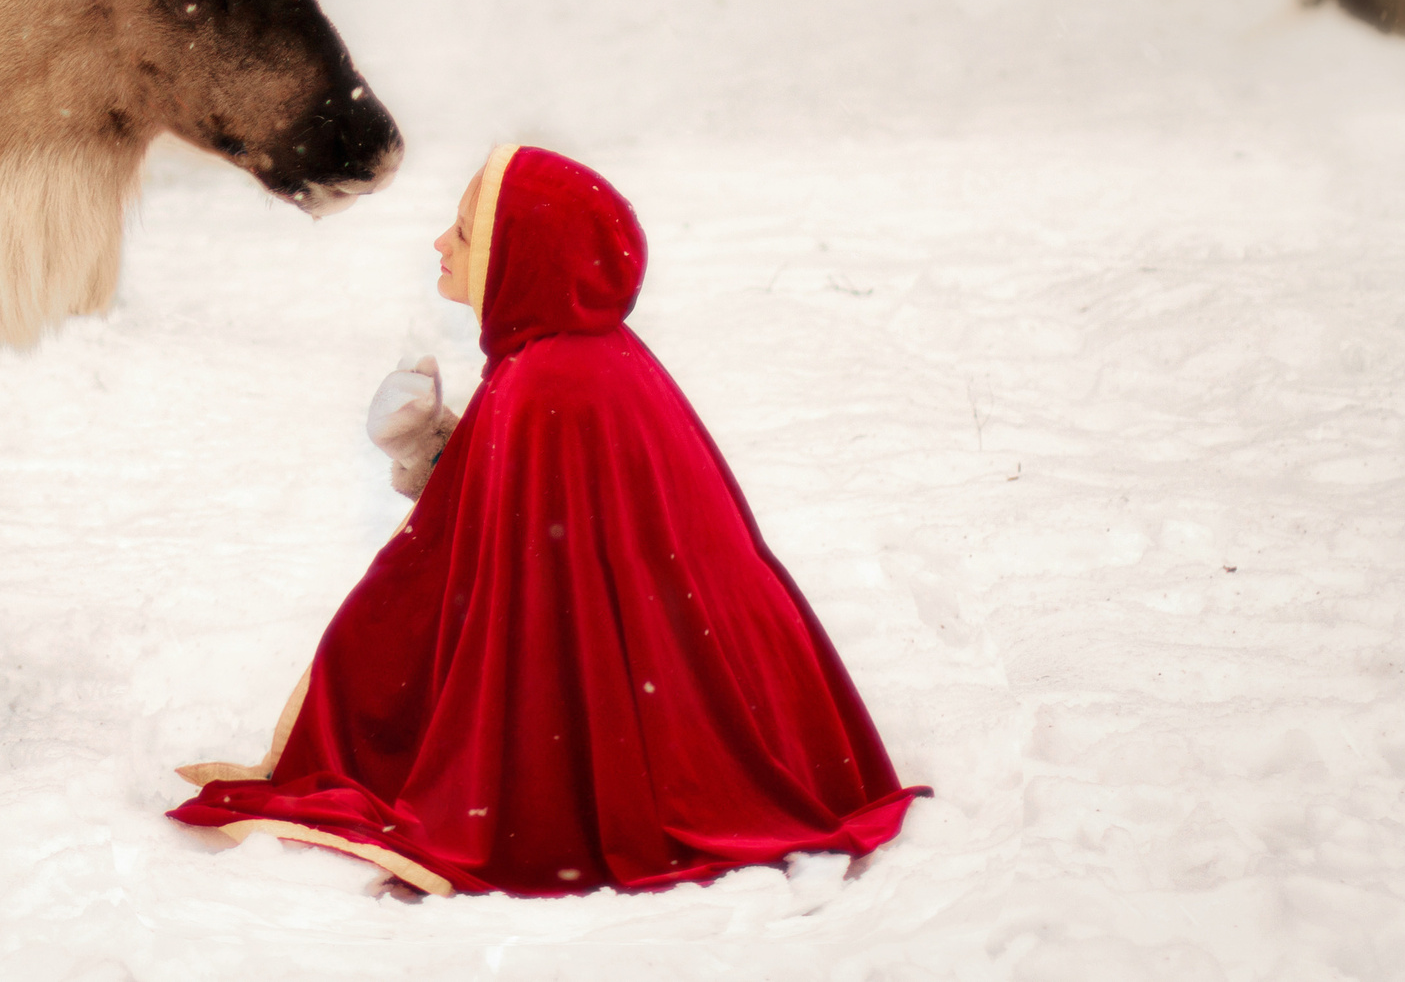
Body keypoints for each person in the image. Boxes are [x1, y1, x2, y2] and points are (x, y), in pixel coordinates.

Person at [170, 145, 925, 897]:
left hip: (634, 722)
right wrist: (436, 443)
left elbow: (487, 577)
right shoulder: (592, 358)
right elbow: (515, 528)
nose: (440, 243)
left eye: (464, 233)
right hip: (695, 700)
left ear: (519, 256)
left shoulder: (547, 383)